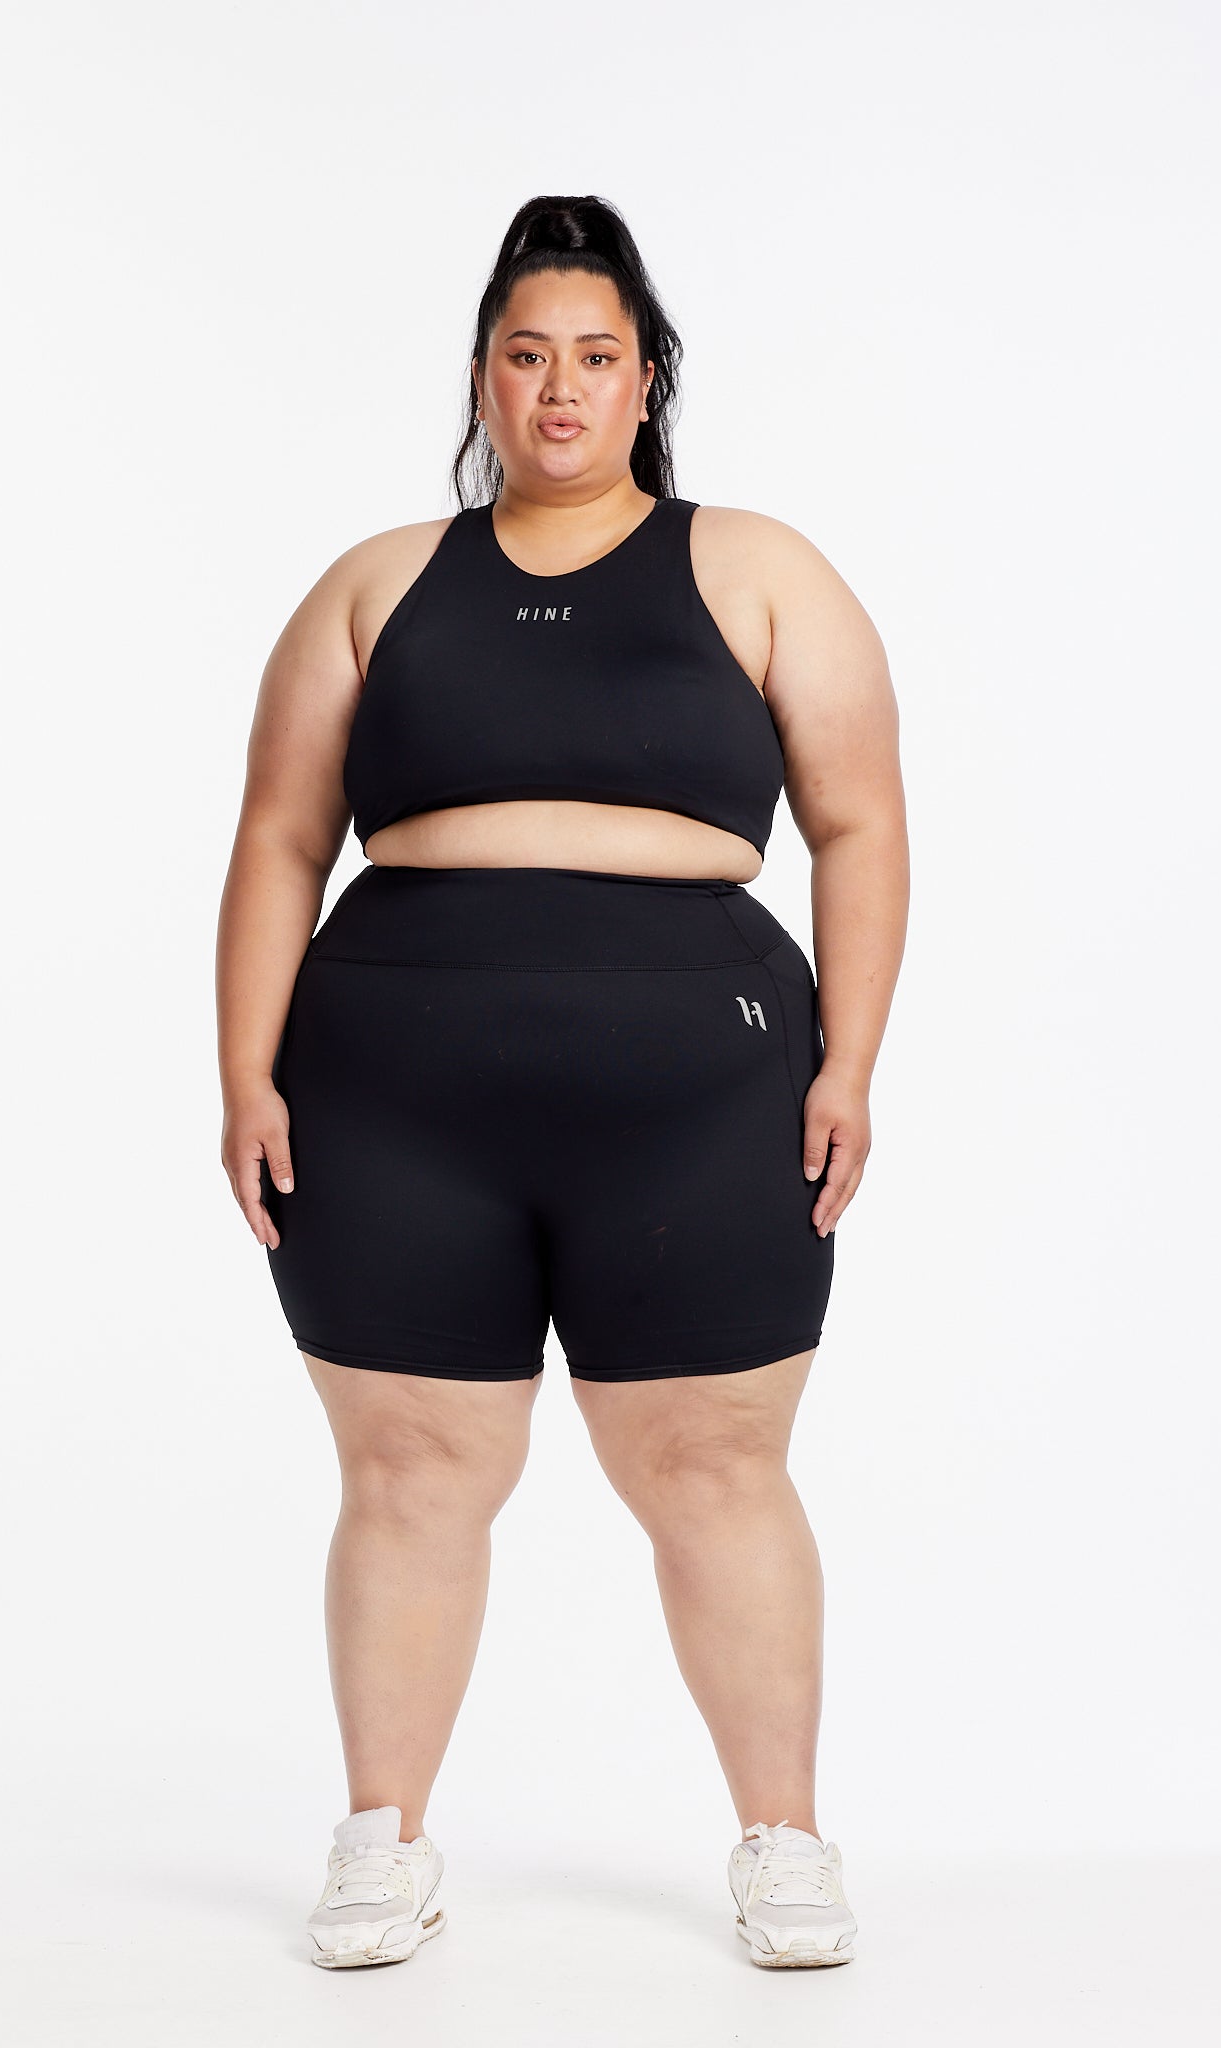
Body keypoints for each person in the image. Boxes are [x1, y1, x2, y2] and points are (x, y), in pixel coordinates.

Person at [216, 192, 909, 1972]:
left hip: (701, 1090)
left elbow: (856, 822)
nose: (559, 389)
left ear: (645, 380)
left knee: (712, 1464)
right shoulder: (377, 582)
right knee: (410, 1467)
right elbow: (280, 838)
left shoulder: (755, 566)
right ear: (482, 379)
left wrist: (850, 1059)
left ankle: (783, 1840)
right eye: (525, 357)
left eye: (595, 357)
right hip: (389, 1092)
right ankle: (381, 1839)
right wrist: (243, 1073)